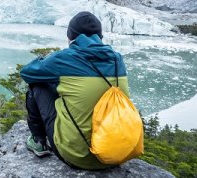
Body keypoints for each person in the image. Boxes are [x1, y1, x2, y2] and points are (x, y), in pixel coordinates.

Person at [19, 11, 130, 170]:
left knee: (38, 84)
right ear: (100, 36)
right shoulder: (117, 59)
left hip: (78, 157)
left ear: (71, 37)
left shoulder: (66, 58)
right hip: (116, 154)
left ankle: (39, 141)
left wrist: (50, 58)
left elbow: (27, 72)